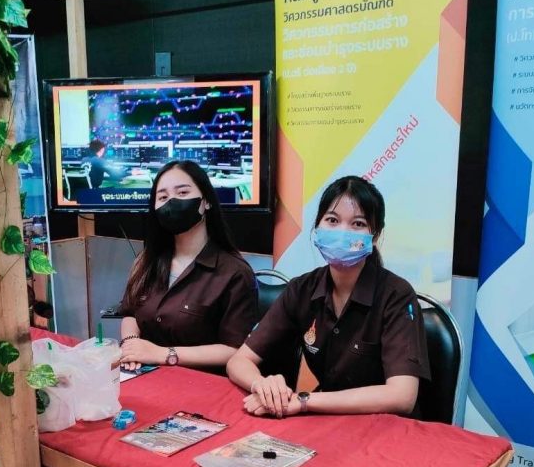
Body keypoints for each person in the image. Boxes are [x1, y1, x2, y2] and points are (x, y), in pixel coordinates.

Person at [226, 175, 430, 417]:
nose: (342, 232)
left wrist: (304, 400)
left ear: (374, 236)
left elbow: (402, 396)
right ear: (317, 227)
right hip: (329, 420)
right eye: (332, 220)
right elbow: (238, 361)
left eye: (358, 224)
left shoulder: (396, 295)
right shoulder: (302, 289)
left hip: (387, 427)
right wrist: (263, 386)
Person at [118, 160, 257, 372]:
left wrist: (164, 354)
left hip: (201, 383)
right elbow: (130, 313)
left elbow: (235, 349)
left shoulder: (235, 273)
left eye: (182, 193)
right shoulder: (146, 260)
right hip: (142, 375)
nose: (171, 202)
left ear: (206, 201)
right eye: (162, 197)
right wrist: (131, 345)